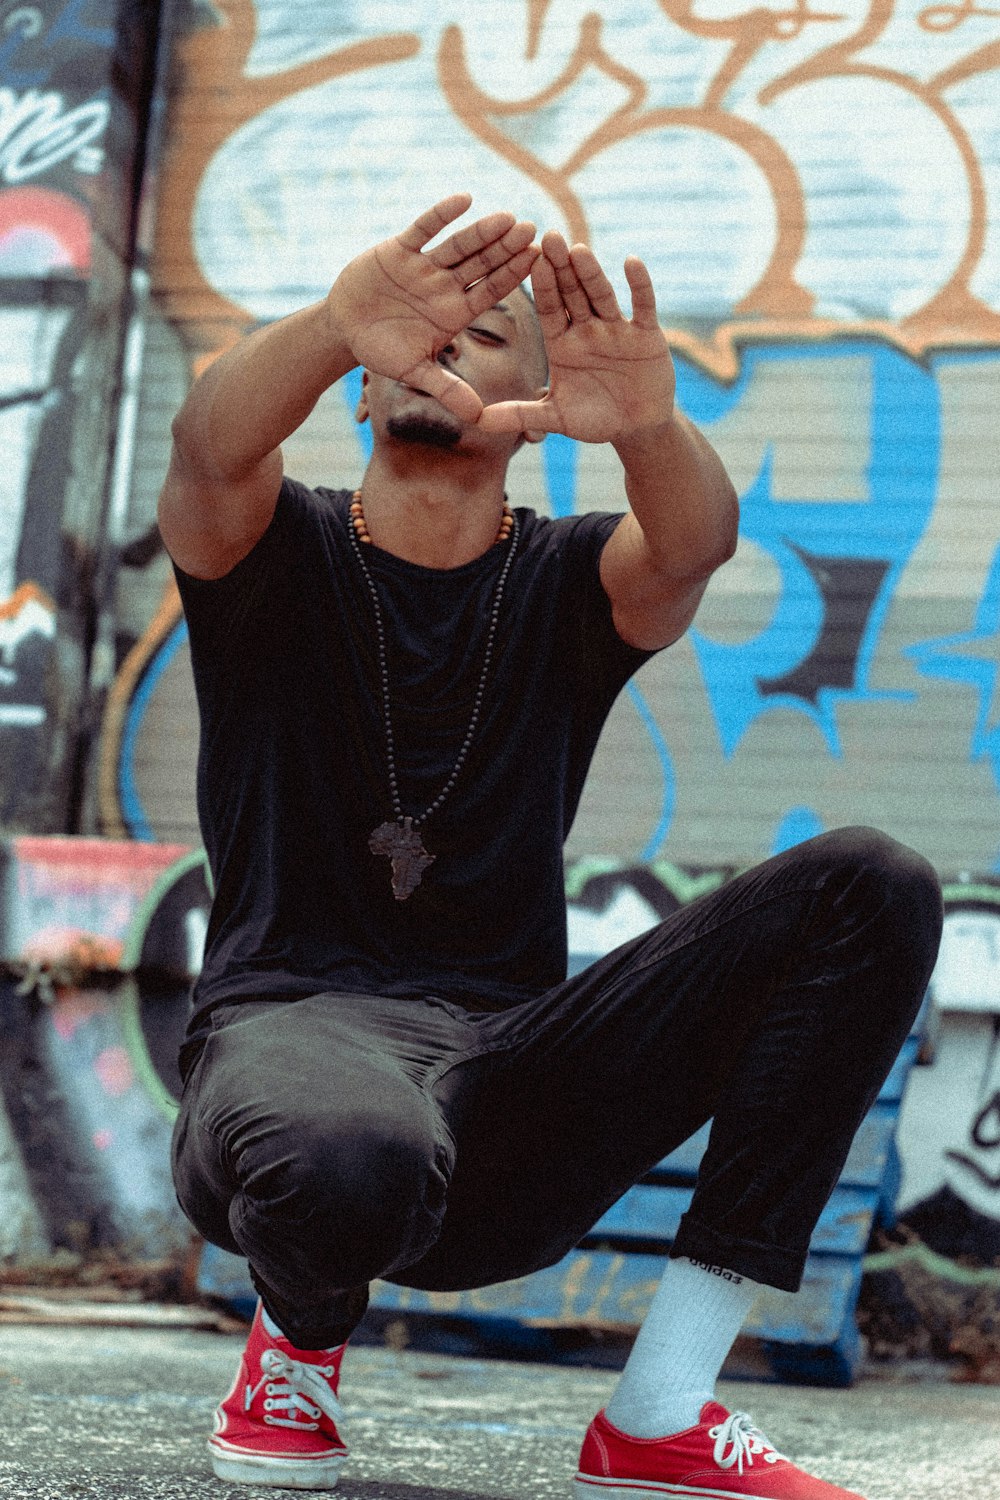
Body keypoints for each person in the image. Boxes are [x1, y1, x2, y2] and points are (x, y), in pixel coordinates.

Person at [160, 193, 942, 1499]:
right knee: (354, 1151)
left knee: (871, 884)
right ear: (362, 391)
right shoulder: (269, 547)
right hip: (292, 1037)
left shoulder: (575, 580)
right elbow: (204, 444)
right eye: (421, 325)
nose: (455, 332)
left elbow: (692, 543)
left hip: (513, 1081)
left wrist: (647, 425)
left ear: (539, 399)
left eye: (495, 330)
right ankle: (294, 1351)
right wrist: (335, 324)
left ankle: (663, 1410)